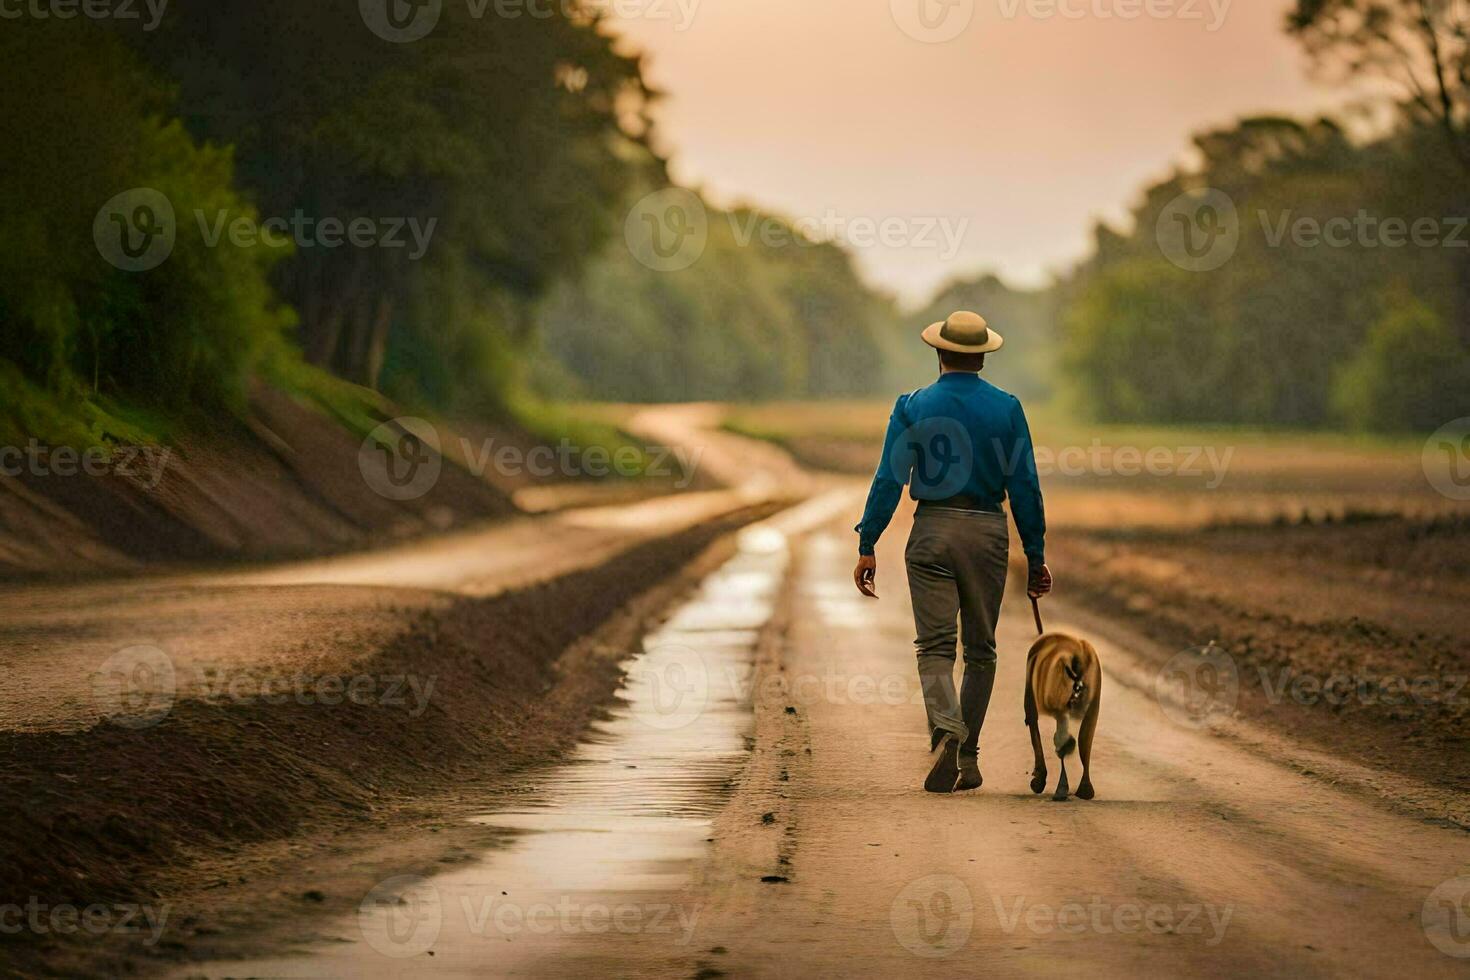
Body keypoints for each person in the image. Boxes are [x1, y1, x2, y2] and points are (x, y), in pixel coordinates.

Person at [851, 310, 1051, 793]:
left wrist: (868, 541)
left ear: (938, 352)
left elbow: (889, 478)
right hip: (986, 533)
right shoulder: (1007, 408)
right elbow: (1024, 484)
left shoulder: (913, 405)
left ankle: (945, 729)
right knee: (980, 650)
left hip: (932, 533)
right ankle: (967, 755)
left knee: (934, 647)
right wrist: (1036, 554)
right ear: (982, 356)